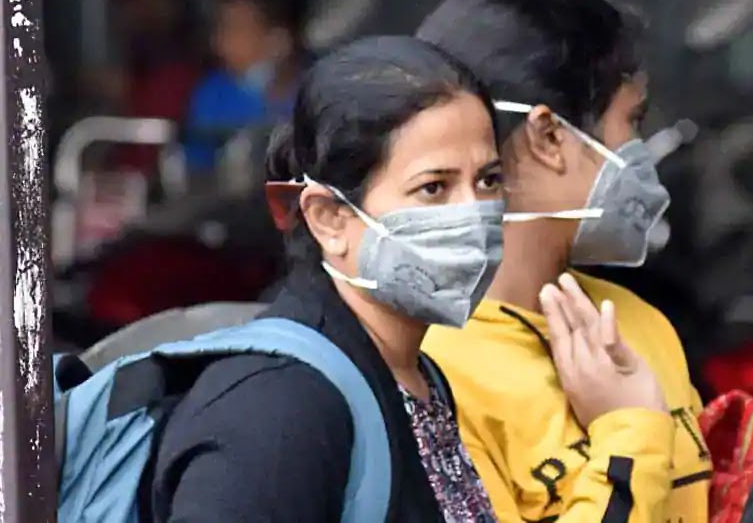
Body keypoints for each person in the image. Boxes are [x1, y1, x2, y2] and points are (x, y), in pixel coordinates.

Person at [150, 35, 502, 523]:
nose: (473, 214)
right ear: (329, 218)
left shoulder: (417, 374)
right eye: (433, 188)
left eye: (488, 180)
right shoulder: (277, 407)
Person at [418, 0, 712, 522]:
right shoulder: (430, 374)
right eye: (632, 120)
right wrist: (629, 431)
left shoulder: (638, 324)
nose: (640, 151)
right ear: (549, 137)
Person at [182, 0, 306, 172]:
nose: (221, 40)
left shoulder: (304, 91)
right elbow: (195, 162)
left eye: (237, 28)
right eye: (221, 28)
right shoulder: (212, 92)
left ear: (276, 38)